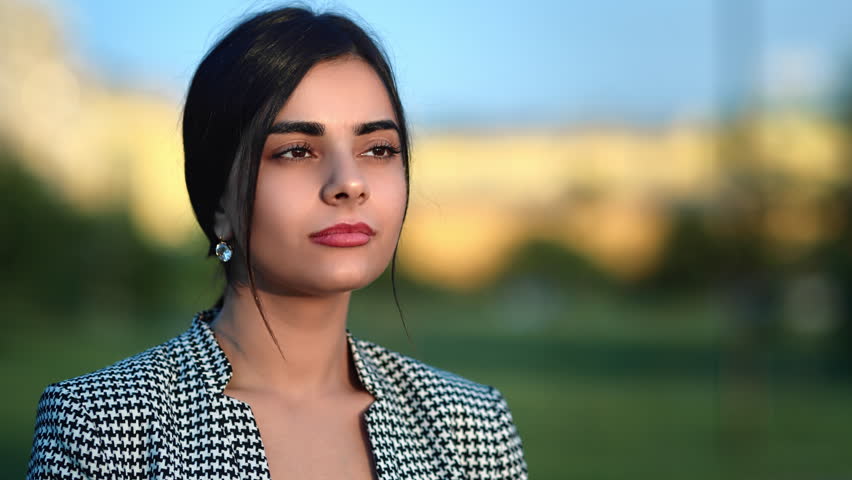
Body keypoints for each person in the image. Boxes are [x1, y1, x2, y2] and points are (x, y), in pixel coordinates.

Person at [26, 5, 529, 480]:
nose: (349, 182)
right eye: (295, 151)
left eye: (378, 148)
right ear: (218, 201)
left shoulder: (471, 426)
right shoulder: (102, 426)